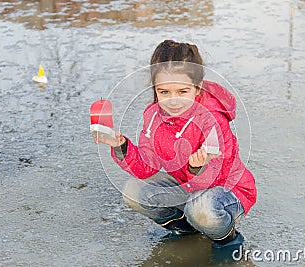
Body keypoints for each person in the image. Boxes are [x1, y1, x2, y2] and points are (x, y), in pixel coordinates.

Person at [93, 40, 257, 253]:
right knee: (133, 191)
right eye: (164, 92)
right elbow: (147, 167)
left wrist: (196, 167)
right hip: (187, 187)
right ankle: (184, 228)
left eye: (182, 91)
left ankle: (228, 240)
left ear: (197, 89)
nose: (173, 101)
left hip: (225, 191)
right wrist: (121, 146)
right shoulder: (153, 116)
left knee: (200, 208)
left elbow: (212, 177)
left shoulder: (212, 119)